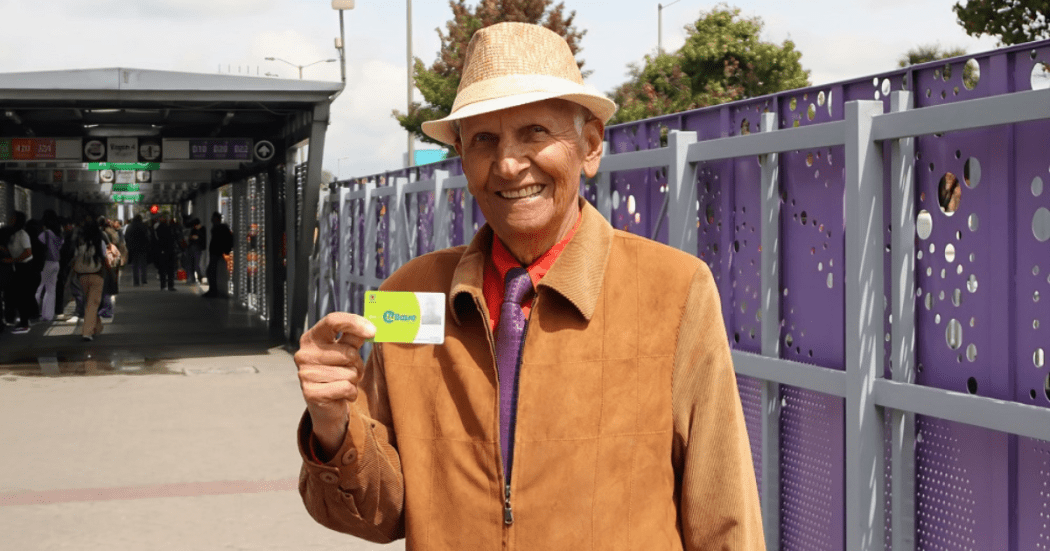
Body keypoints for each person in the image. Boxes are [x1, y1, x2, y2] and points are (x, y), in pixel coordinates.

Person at [294, 23, 764, 550]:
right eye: (483, 140)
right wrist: (334, 424)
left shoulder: (673, 290)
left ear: (590, 146)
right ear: (462, 157)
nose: (508, 164)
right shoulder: (412, 293)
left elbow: (725, 517)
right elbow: (378, 517)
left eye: (535, 132)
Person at [71, 219, 107, 341]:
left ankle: (97, 327)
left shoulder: (80, 242)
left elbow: (75, 257)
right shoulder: (100, 242)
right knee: (93, 303)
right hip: (97, 274)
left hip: (82, 276)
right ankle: (87, 332)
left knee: (90, 303)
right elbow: (104, 258)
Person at [2, 211, 37, 334]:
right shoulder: (12, 234)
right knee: (19, 295)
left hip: (25, 267)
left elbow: (28, 252)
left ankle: (24, 323)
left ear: (17, 220)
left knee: (23, 295)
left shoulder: (22, 234)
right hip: (18, 266)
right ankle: (23, 320)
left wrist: (12, 260)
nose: (9, 219)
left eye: (12, 217)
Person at [35, 210, 64, 321]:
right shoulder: (59, 234)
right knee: (51, 290)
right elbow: (60, 246)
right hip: (56, 263)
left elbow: (39, 246)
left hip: (46, 263)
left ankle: (33, 312)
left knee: (39, 288)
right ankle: (48, 315)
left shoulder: (45, 234)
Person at [202, 212, 232, 298]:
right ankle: (215, 290)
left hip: (217, 252)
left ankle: (214, 290)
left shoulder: (219, 228)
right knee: (214, 271)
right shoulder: (221, 228)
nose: (211, 220)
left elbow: (218, 241)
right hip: (217, 252)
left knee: (212, 271)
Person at [152, 213, 177, 291]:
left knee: (162, 269)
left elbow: (154, 241)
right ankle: (170, 285)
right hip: (169, 250)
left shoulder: (157, 229)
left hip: (161, 251)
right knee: (170, 269)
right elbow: (172, 239)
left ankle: (163, 285)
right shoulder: (169, 228)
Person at [124, 215, 151, 286]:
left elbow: (126, 237)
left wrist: (128, 245)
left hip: (133, 248)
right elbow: (148, 237)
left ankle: (136, 281)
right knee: (143, 265)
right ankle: (143, 280)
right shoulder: (144, 226)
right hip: (143, 248)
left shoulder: (130, 227)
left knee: (135, 265)